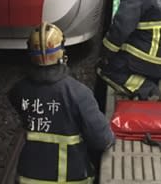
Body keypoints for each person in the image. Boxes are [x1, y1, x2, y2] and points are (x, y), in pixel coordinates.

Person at [8, 22, 114, 184]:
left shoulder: (19, 91)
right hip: (71, 178)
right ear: (62, 53)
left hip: (27, 179)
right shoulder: (79, 93)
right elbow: (102, 140)